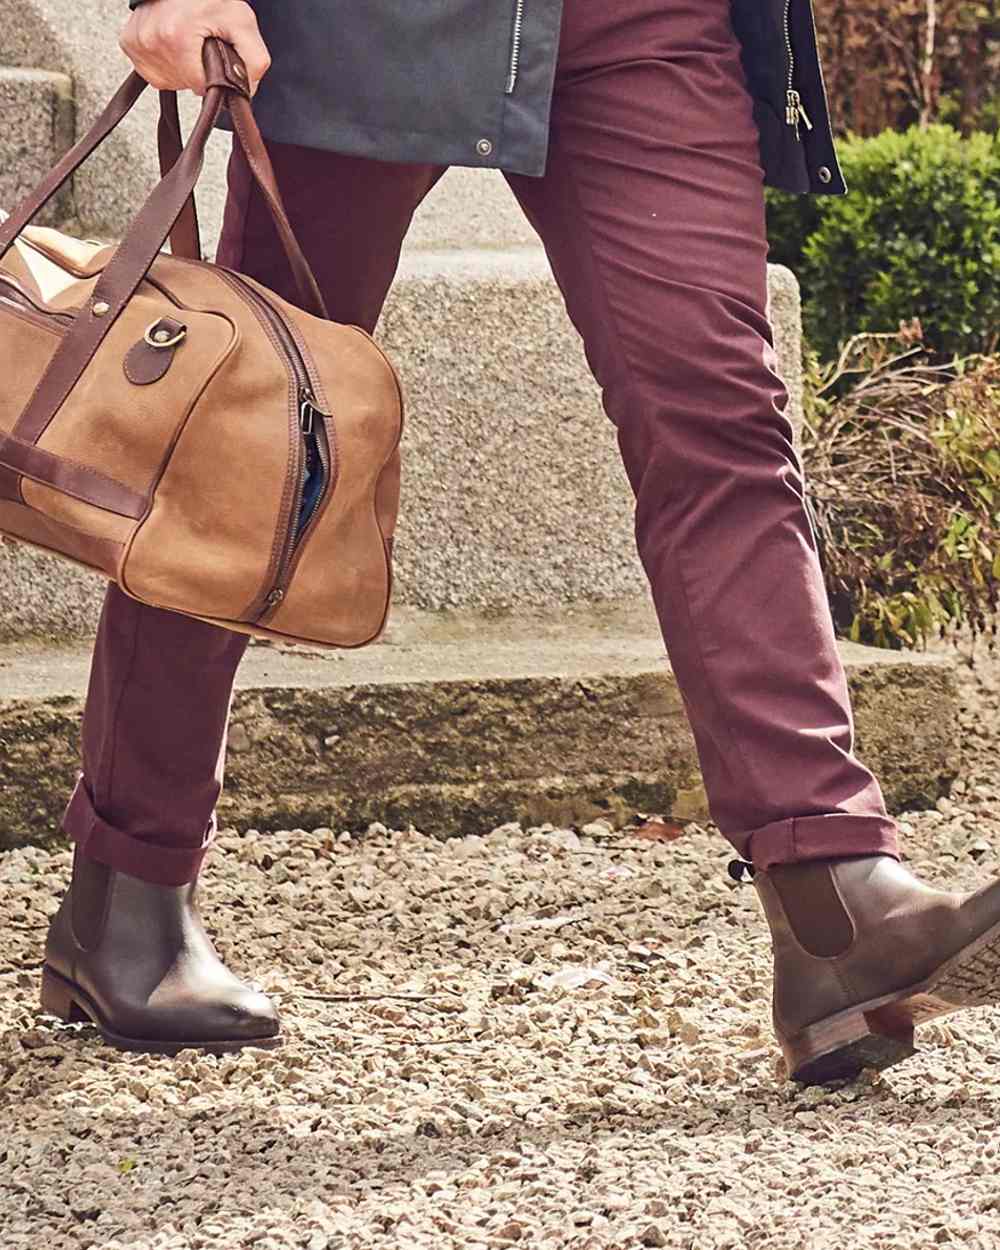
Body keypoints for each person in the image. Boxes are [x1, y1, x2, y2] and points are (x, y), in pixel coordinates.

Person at [40, 0, 1000, 1082]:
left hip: (648, 25)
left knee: (721, 419)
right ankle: (126, 896)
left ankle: (834, 899)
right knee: (250, 446)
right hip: (370, 28)